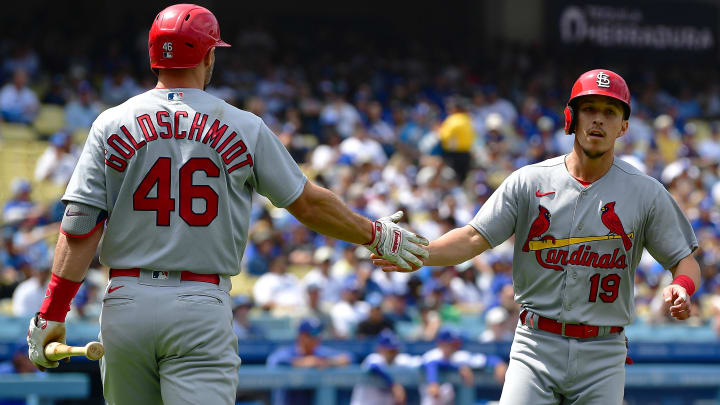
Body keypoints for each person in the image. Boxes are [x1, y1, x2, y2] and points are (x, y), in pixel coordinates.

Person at [25, 5, 428, 405]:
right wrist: (374, 235)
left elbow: (80, 225)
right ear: (208, 55)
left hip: (125, 302)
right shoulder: (243, 124)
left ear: (154, 56)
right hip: (199, 303)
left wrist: (51, 312)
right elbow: (308, 204)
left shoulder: (110, 122)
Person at [375, 69, 701, 405]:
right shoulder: (529, 181)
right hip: (536, 344)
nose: (598, 120)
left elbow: (684, 260)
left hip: (603, 351)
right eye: (589, 109)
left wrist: (683, 286)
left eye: (610, 112)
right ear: (570, 118)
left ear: (623, 127)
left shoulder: (646, 192)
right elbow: (474, 238)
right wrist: (418, 252)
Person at [267, 319, 352, 405]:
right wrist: (304, 362)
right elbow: (274, 361)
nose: (317, 338)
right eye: (313, 334)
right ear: (301, 336)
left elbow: (348, 357)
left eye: (318, 334)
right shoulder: (288, 352)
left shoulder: (320, 352)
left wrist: (327, 362)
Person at [419, 329, 506, 405]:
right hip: (430, 400)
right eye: (446, 344)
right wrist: (433, 381)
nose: (449, 347)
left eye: (452, 344)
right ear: (440, 344)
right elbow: (430, 364)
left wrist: (498, 363)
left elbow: (486, 359)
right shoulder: (431, 355)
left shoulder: (460, 356)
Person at [350, 330, 419, 405]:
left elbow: (422, 361)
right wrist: (394, 386)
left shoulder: (400, 360)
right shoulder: (374, 358)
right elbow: (374, 367)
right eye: (389, 350)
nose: (393, 353)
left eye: (394, 350)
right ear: (380, 349)